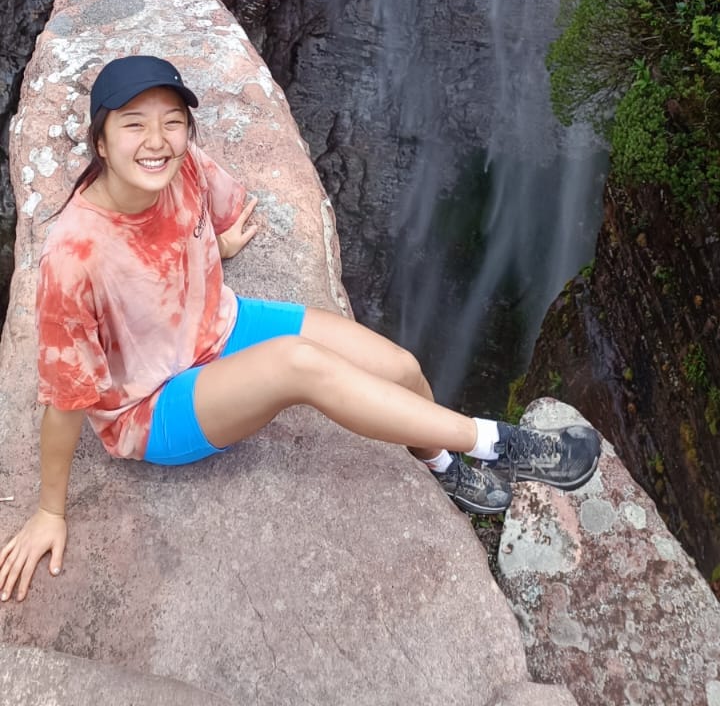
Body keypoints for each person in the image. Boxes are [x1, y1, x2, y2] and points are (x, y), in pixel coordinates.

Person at [0, 55, 601, 604]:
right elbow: (65, 401)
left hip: (218, 323)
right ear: (100, 140)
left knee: (403, 367)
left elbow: (202, 214)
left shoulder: (182, 168)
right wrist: (50, 510)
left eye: (173, 122)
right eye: (133, 124)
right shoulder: (74, 253)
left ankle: (441, 463)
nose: (157, 141)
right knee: (298, 364)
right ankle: (501, 443)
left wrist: (216, 242)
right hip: (153, 405)